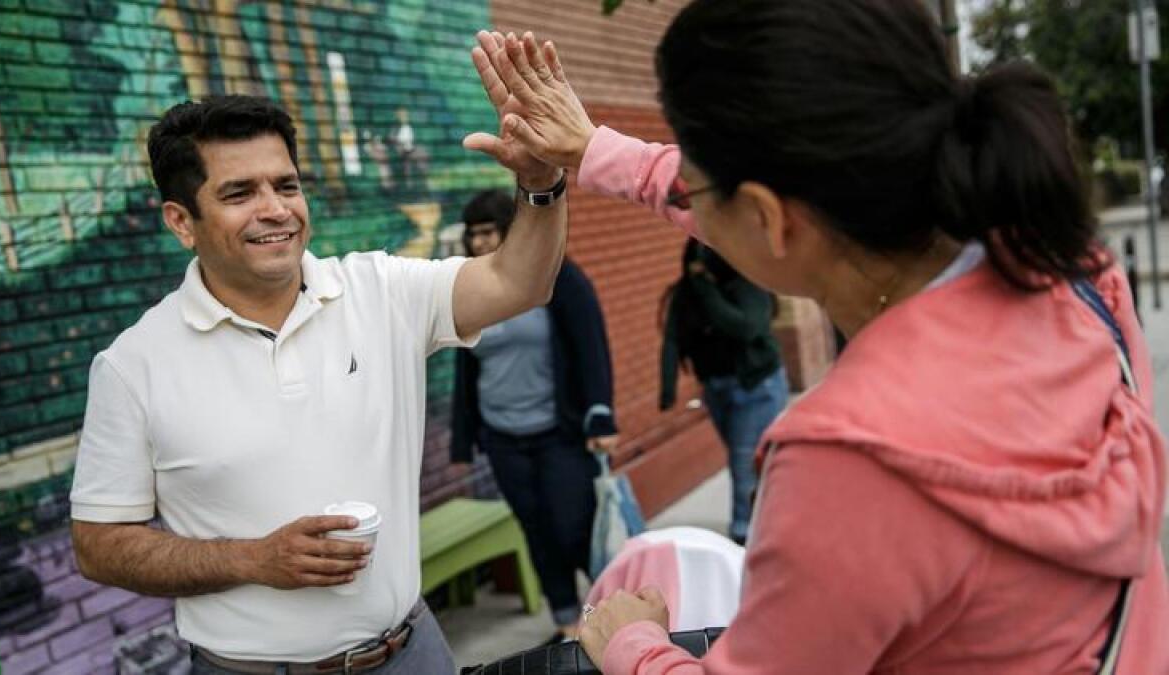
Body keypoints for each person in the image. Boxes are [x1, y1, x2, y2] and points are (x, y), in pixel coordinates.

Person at [472, 8, 1169, 673]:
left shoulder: (846, 458)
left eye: (696, 183)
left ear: (768, 218)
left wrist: (635, 644)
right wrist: (594, 149)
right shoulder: (1074, 273)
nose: (685, 191)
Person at [68, 36, 571, 675]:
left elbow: (519, 282)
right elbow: (99, 545)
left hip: (413, 651)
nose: (275, 210)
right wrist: (251, 559)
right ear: (181, 221)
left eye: (286, 185)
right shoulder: (132, 365)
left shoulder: (379, 290)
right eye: (239, 193)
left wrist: (541, 181)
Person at [451, 188, 619, 643]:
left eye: (489, 232)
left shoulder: (557, 278)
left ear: (510, 231)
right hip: (502, 436)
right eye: (473, 234)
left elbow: (591, 348)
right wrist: (465, 437)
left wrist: (601, 415)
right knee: (537, 531)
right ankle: (567, 623)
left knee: (574, 527)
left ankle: (611, 614)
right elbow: (465, 369)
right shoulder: (469, 289)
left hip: (559, 432)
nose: (480, 242)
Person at [660, 239, 788, 545]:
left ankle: (744, 536)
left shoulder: (748, 284)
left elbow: (744, 327)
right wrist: (667, 387)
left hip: (757, 387)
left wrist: (707, 289)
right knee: (752, 461)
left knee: (742, 463)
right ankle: (773, 519)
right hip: (717, 389)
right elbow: (672, 339)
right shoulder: (686, 293)